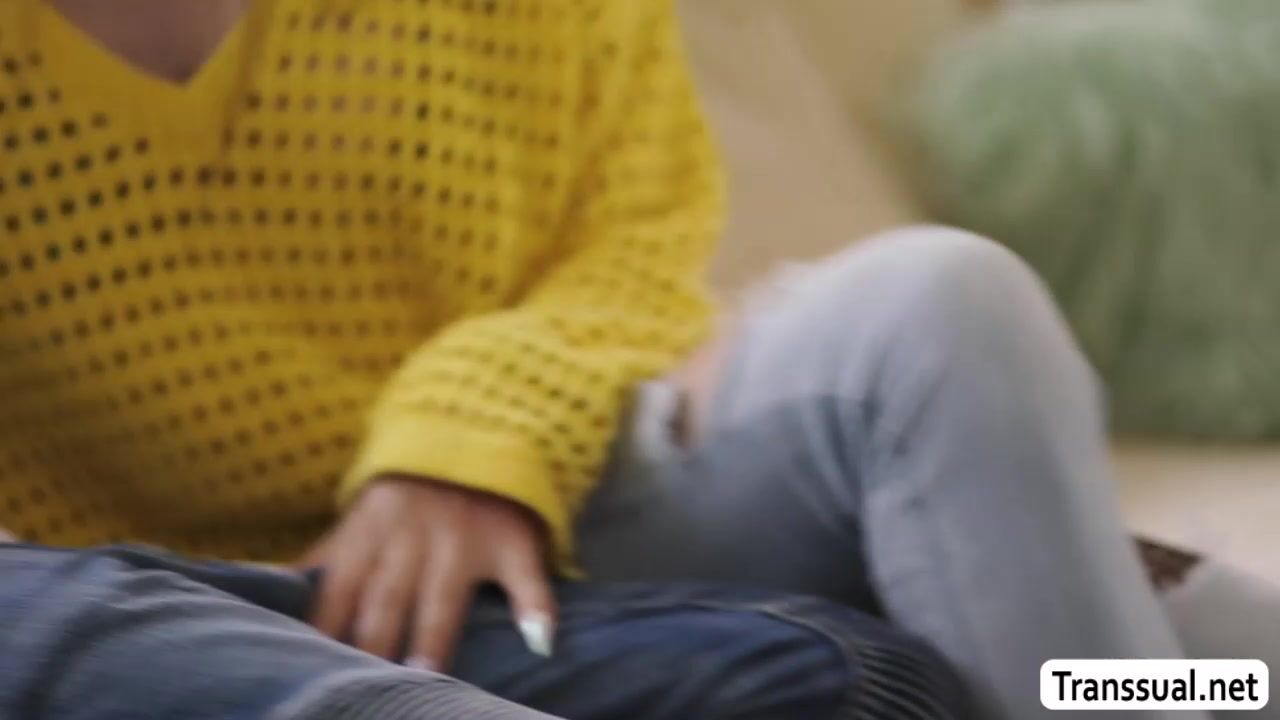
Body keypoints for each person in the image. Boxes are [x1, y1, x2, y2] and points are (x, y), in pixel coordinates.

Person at [0, 0, 1237, 718]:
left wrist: (468, 438)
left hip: (564, 498)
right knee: (1186, 664)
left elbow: (639, 232)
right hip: (186, 621)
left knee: (944, 303)